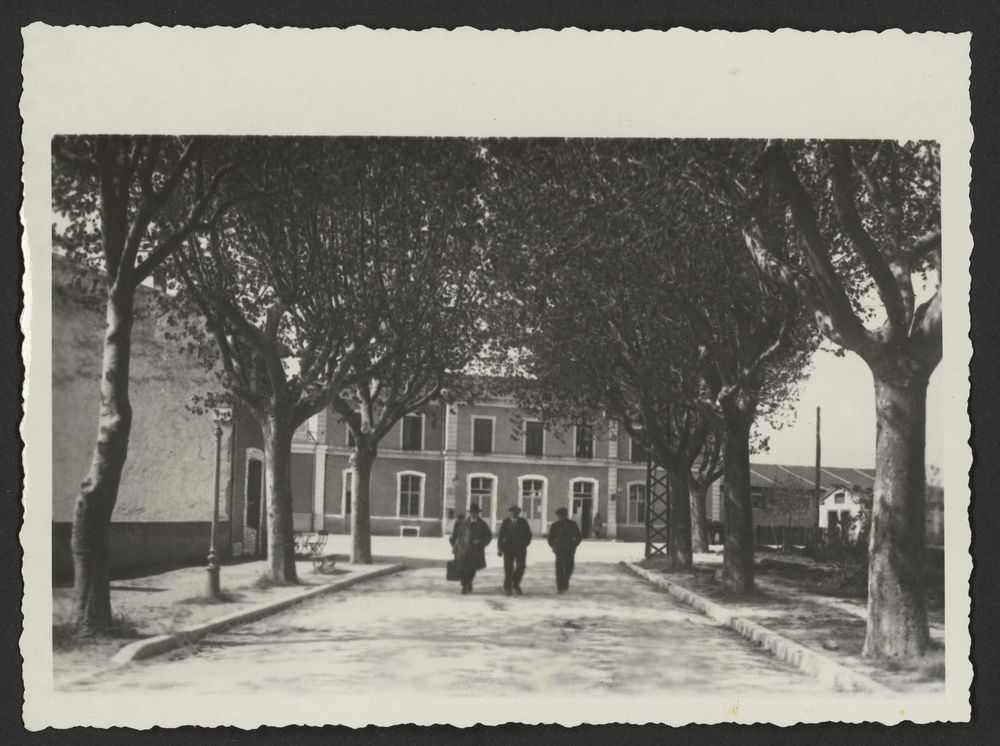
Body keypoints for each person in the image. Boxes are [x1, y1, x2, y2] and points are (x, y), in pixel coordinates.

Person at [450, 503, 492, 594]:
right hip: (464, 550)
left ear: (478, 513)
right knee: (463, 568)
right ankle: (464, 585)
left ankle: (469, 582)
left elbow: (488, 536)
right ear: (470, 513)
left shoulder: (482, 524)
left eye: (475, 512)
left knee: (472, 569)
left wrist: (480, 541)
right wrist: (455, 547)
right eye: (472, 512)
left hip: (476, 551)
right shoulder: (465, 523)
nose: (473, 514)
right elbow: (459, 536)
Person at [497, 504, 533, 596]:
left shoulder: (523, 522)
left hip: (520, 548)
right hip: (508, 548)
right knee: (508, 568)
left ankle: (515, 584)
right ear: (509, 512)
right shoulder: (506, 522)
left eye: (515, 511)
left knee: (521, 566)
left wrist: (525, 544)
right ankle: (508, 588)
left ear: (518, 512)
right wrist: (499, 548)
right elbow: (501, 536)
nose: (513, 513)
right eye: (511, 511)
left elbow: (529, 535)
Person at [547, 506, 582, 593]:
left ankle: (565, 580)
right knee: (559, 568)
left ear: (566, 515)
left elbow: (578, 536)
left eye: (564, 515)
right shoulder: (555, 525)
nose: (562, 517)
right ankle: (560, 587)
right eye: (560, 515)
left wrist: (574, 545)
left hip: (570, 549)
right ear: (558, 516)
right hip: (559, 550)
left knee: (570, 567)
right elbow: (550, 538)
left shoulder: (572, 524)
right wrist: (553, 546)